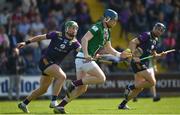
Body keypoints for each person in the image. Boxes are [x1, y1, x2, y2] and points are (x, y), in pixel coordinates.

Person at [54, 9, 132, 114]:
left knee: (82, 89)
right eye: (113, 20)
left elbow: (108, 48)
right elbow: (84, 39)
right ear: (107, 19)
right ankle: (73, 83)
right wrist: (86, 54)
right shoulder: (97, 27)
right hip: (83, 57)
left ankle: (60, 106)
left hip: (82, 59)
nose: (115, 23)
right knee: (101, 78)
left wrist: (120, 54)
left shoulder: (107, 31)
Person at [17, 20, 81, 113]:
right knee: (62, 76)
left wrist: (90, 55)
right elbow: (40, 37)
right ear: (67, 28)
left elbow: (82, 51)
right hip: (45, 61)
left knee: (43, 90)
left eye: (76, 28)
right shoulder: (56, 34)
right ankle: (54, 101)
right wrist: (26, 42)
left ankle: (23, 104)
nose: (74, 30)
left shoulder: (75, 42)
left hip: (53, 66)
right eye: (72, 28)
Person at [118, 22, 166, 109]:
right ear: (154, 27)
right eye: (158, 28)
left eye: (161, 30)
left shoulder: (156, 40)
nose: (159, 31)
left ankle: (123, 104)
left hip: (144, 63)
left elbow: (154, 55)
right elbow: (133, 42)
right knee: (152, 82)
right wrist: (134, 55)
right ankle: (130, 86)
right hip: (137, 62)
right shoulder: (146, 35)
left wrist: (160, 55)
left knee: (139, 88)